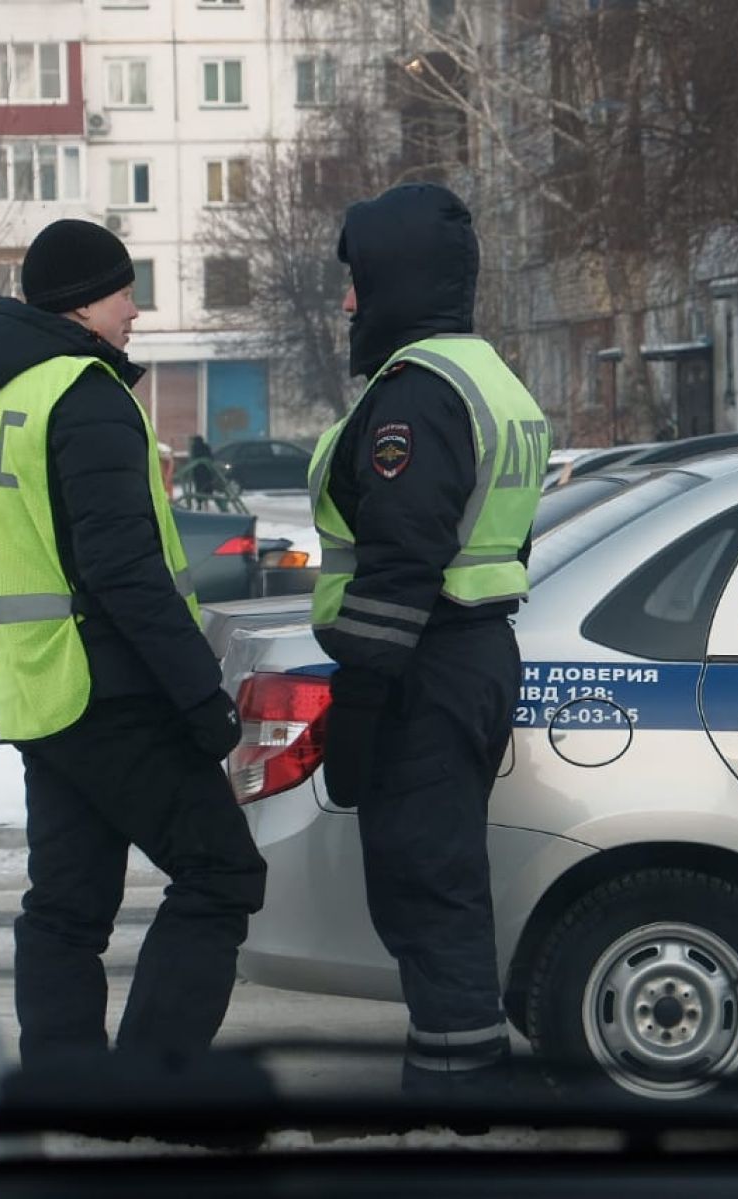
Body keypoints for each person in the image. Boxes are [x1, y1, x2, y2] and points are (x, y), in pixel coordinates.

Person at [0, 218, 266, 1070]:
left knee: (67, 902)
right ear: (84, 301)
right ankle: (151, 1082)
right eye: (126, 291)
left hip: (41, 691)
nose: (136, 309)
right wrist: (200, 700)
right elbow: (124, 570)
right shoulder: (85, 395)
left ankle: (68, 1084)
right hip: (111, 690)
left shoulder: (1, 396)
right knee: (221, 875)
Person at [308, 183, 548, 1093]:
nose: (346, 302)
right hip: (472, 653)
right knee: (441, 877)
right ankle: (457, 1071)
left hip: (426, 664)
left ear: (396, 279)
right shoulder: (491, 376)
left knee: (424, 885)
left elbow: (404, 555)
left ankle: (455, 1099)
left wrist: (365, 694)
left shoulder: (420, 395)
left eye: (357, 282)